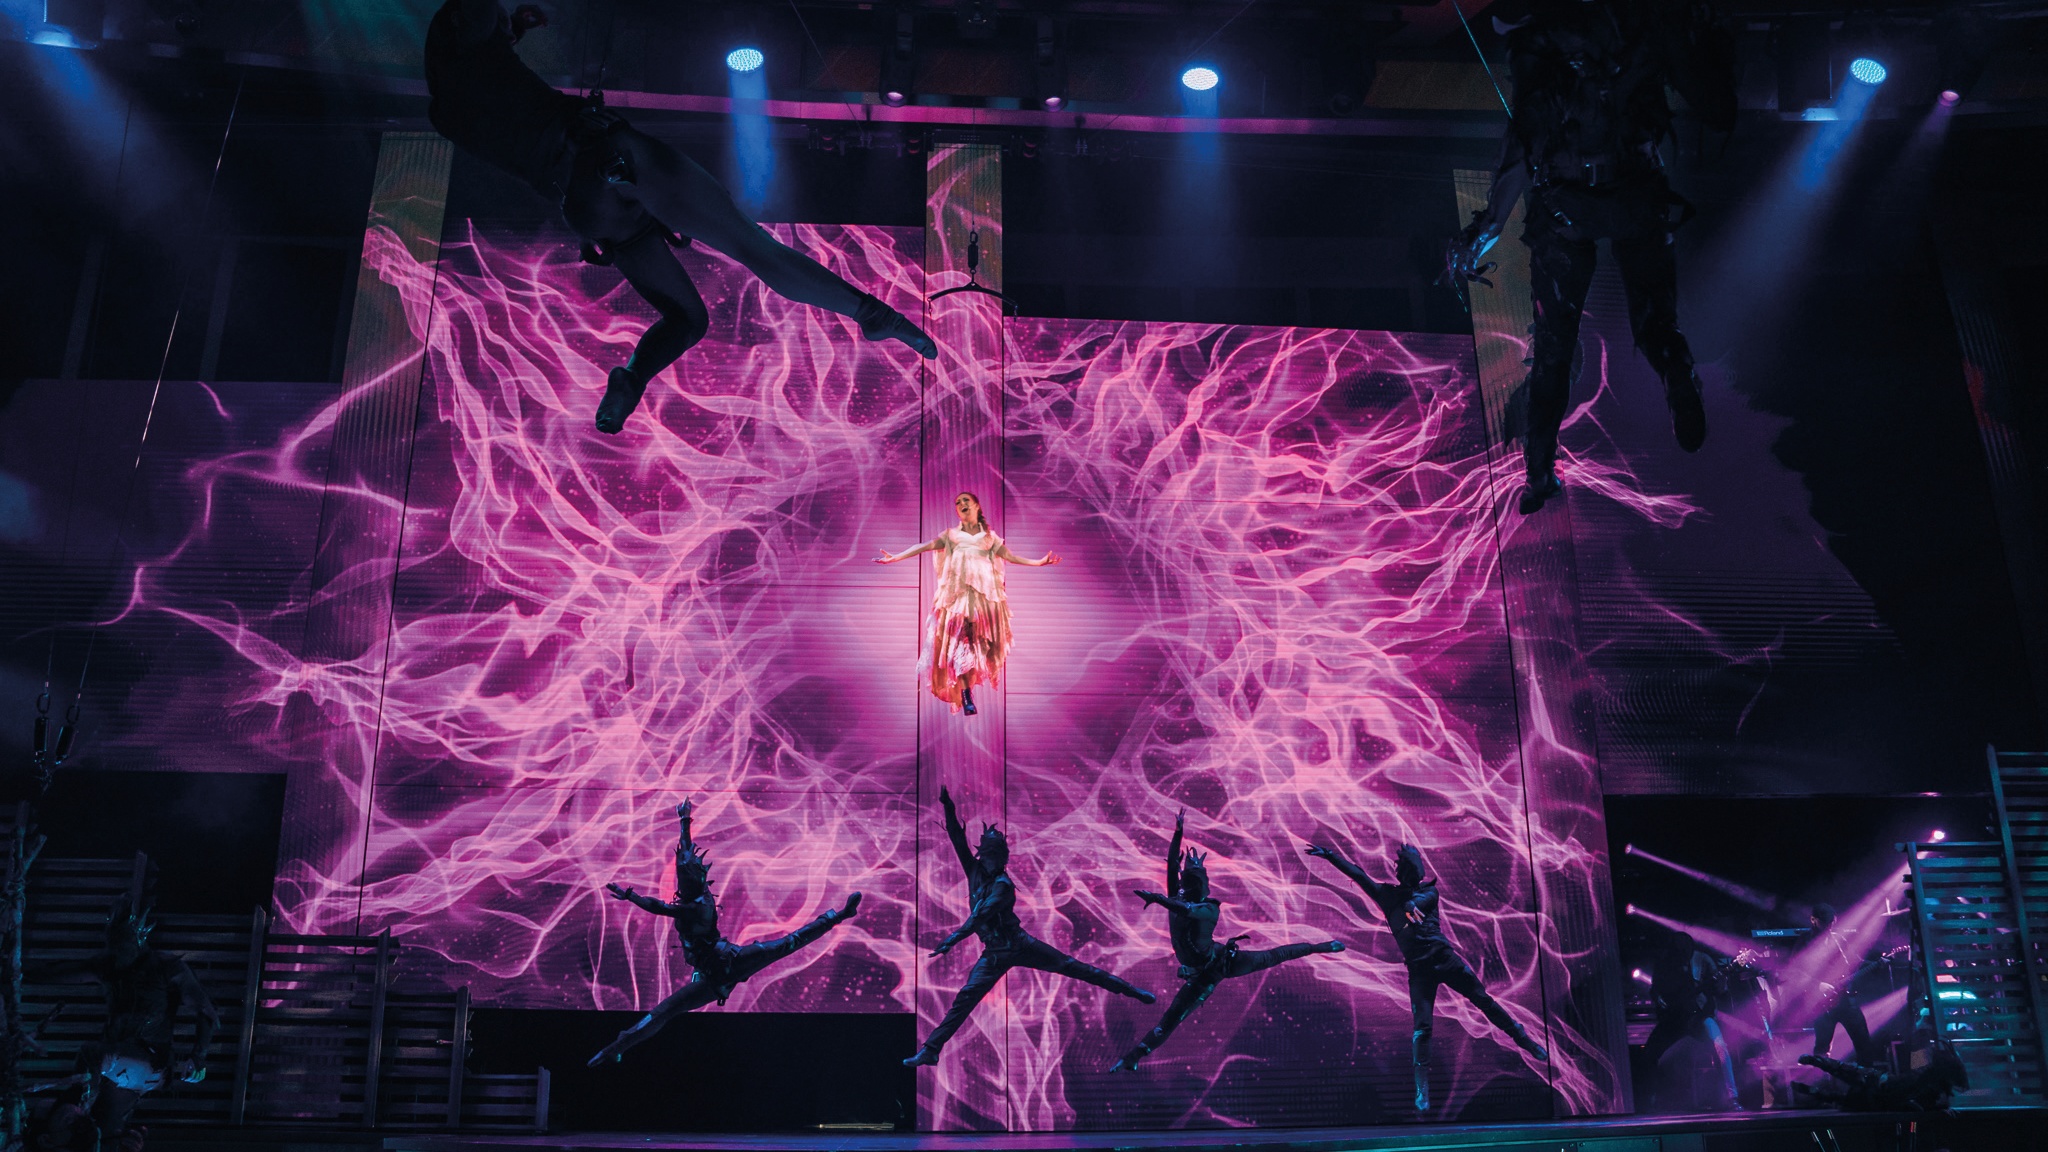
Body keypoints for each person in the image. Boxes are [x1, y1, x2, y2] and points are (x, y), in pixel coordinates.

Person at [423, 0, 936, 435]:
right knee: (751, 245)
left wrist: (513, 28)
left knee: (688, 319)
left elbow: (495, 72)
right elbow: (480, 25)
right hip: (607, 153)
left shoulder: (448, 111)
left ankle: (632, 377)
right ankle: (874, 315)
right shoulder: (464, 30)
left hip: (584, 206)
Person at [1444, 0, 1737, 514]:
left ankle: (1538, 472)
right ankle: (1675, 370)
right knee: (1656, 323)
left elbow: (1524, 141)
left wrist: (1488, 227)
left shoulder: (1540, 40)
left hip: (1566, 204)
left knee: (1553, 351)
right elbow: (1717, 107)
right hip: (1636, 195)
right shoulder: (1644, 25)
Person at [588, 800, 862, 1065]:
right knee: (665, 1011)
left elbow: (658, 907)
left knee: (788, 944)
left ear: (695, 881)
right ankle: (618, 1048)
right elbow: (685, 857)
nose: (681, 880)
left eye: (686, 879)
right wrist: (684, 821)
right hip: (708, 975)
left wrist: (631, 895)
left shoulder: (699, 906)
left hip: (729, 964)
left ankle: (839, 915)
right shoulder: (690, 894)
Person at [904, 787, 1155, 1068]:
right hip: (995, 953)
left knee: (1074, 967)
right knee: (966, 998)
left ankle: (1130, 990)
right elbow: (956, 838)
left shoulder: (1003, 886)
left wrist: (953, 938)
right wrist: (948, 806)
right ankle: (931, 1049)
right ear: (983, 855)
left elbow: (980, 917)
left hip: (1020, 945)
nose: (991, 860)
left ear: (1002, 858)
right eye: (987, 855)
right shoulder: (974, 870)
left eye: (996, 856)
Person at [1303, 839, 1548, 1113]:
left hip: (1445, 959)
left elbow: (1419, 902)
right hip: (1419, 970)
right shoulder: (1387, 895)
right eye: (1402, 868)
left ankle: (1522, 1038)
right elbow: (1358, 874)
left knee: (1482, 1000)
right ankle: (1422, 1087)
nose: (1404, 872)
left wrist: (1410, 908)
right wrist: (1331, 856)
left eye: (1409, 868)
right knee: (1423, 1028)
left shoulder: (1430, 893)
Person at [1111, 811, 1345, 1071]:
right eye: (1186, 881)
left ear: (1201, 887)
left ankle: (1320, 947)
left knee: (1273, 956)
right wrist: (1178, 832)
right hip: (1200, 971)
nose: (1185, 885)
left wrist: (1158, 898)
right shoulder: (1177, 895)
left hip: (1218, 965)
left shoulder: (1208, 909)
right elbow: (1171, 869)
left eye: (1193, 882)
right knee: (1171, 1019)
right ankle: (1134, 1057)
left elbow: (1186, 911)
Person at [35, 894, 220, 1151]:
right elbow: (62, 973)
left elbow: (206, 1010)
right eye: (112, 947)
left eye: (122, 947)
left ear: (138, 942)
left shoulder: (166, 967)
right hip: (113, 1062)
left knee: (90, 1061)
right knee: (104, 1131)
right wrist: (19, 972)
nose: (117, 954)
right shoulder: (108, 966)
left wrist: (198, 1056)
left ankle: (73, 1109)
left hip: (149, 1060)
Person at [874, 493, 1059, 717]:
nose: (961, 504)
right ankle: (966, 693)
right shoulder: (951, 536)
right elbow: (924, 546)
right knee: (960, 645)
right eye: (957, 502)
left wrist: (1039, 562)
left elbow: (1011, 557)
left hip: (983, 601)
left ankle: (968, 688)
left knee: (976, 647)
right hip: (957, 599)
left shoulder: (990, 538)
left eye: (966, 501)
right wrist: (896, 557)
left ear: (977, 506)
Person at [1638, 931, 1758, 1110]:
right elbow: (1655, 989)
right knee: (1651, 1056)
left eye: (1684, 950)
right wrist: (1660, 1000)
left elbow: (1720, 990)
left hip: (1700, 1016)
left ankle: (1732, 1097)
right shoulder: (1666, 963)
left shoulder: (1702, 960)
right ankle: (1649, 1100)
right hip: (1674, 1019)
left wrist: (1721, 980)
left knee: (1721, 1048)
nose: (1682, 955)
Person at [1798, 1040, 1969, 1112]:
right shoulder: (1928, 1080)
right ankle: (1815, 1076)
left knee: (1845, 1079)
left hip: (1880, 1092)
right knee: (1845, 1081)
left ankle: (1814, 1081)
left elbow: (1912, 1098)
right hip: (1882, 1091)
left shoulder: (1929, 1085)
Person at [1806, 903, 1874, 1063]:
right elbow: (1795, 971)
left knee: (1863, 1043)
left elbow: (1856, 962)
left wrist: (1878, 962)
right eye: (1825, 923)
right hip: (1822, 1005)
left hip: (1845, 1000)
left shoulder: (1839, 939)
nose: (1829, 927)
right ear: (1813, 920)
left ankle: (1868, 1081)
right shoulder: (1805, 942)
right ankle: (1822, 1082)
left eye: (1831, 923)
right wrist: (1818, 984)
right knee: (1822, 1048)